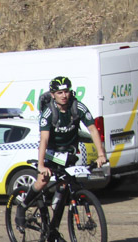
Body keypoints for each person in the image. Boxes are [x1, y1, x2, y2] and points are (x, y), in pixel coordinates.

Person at [17, 75, 108, 223]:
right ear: (53, 95)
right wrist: (41, 165)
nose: (64, 95)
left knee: (66, 186)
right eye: (59, 93)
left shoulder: (78, 107)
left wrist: (101, 154)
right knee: (42, 181)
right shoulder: (49, 113)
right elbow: (44, 139)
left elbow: (93, 130)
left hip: (69, 152)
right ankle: (23, 205)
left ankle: (54, 226)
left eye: (66, 91)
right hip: (51, 152)